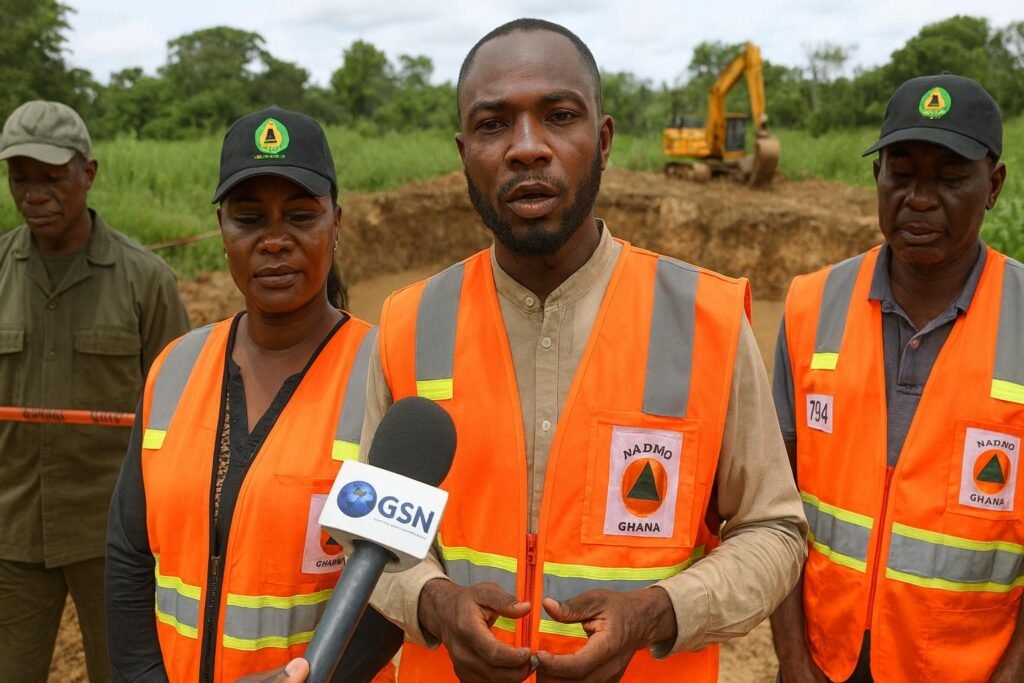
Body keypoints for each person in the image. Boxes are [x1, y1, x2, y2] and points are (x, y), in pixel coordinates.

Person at [351, 19, 806, 683]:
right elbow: (371, 529)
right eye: (493, 124)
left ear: (604, 139)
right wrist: (432, 600)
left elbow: (774, 531)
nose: (526, 148)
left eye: (559, 116)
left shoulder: (706, 319)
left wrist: (659, 611)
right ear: (463, 151)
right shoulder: (406, 324)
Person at [105, 106, 402, 682]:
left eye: (299, 216)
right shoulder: (174, 368)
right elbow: (129, 555)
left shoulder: (383, 375)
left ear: (336, 223)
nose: (274, 241)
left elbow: (394, 581)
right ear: (221, 228)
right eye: (248, 218)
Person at [769, 74, 1022, 683]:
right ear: (876, 178)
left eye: (951, 177)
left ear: (993, 187)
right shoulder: (811, 305)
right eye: (901, 173)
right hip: (821, 662)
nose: (921, 198)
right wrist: (793, 661)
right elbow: (772, 510)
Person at [0, 100, 189, 682]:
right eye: (20, 178)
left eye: (52, 177)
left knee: (123, 672)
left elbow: (182, 416)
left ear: (89, 173)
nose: (35, 193)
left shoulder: (143, 280)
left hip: (114, 540)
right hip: (11, 529)